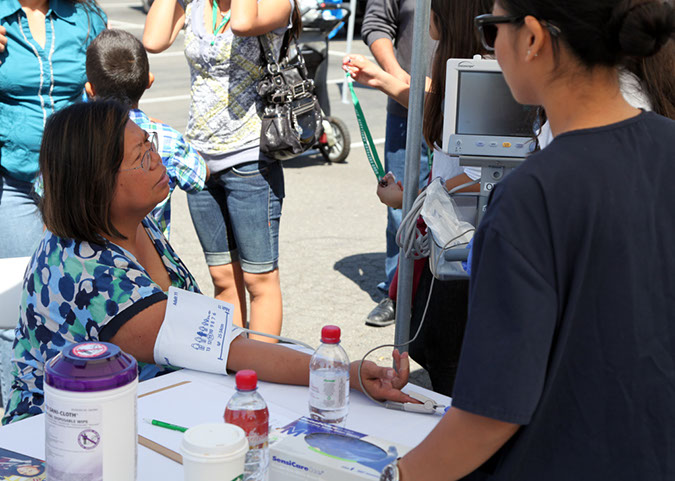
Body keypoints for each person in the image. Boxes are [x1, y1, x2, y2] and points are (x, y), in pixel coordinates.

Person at [377, 1, 675, 480]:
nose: (490, 45)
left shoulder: (529, 196)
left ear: (532, 38)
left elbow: (492, 410)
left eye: (491, 28)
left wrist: (397, 476)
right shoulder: (665, 146)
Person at [2, 100, 414, 425]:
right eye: (142, 156)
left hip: (144, 409)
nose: (158, 160)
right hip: (62, 439)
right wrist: (342, 372)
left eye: (151, 145)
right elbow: (226, 347)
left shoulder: (134, 222)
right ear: (98, 181)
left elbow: (216, 339)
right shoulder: (87, 273)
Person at [344, 0, 491, 395]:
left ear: (443, 20)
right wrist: (380, 78)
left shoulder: (482, 81)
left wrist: (416, 199)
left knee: (448, 356)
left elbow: (480, 178)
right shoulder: (460, 71)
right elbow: (433, 101)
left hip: (463, 249)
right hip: (450, 243)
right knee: (435, 347)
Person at [142, 0, 300, 343]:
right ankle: (234, 365)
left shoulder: (275, 4)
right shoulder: (199, 6)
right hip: (201, 162)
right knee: (223, 278)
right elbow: (153, 41)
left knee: (259, 280)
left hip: (251, 160)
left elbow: (243, 23)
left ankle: (263, 372)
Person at [0, 0, 107, 258]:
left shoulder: (88, 17)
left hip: (77, 182)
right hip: (15, 182)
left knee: (83, 284)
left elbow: (108, 94)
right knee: (22, 283)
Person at [84, 28, 208, 240]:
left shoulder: (76, 139)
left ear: (90, 89)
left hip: (89, 258)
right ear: (149, 81)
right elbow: (198, 177)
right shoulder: (167, 138)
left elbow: (45, 192)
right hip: (151, 256)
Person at [360, 0, 436, 327]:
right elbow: (376, 23)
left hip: (458, 109)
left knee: (459, 205)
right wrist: (400, 80)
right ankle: (398, 292)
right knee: (401, 208)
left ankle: (441, 289)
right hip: (407, 108)